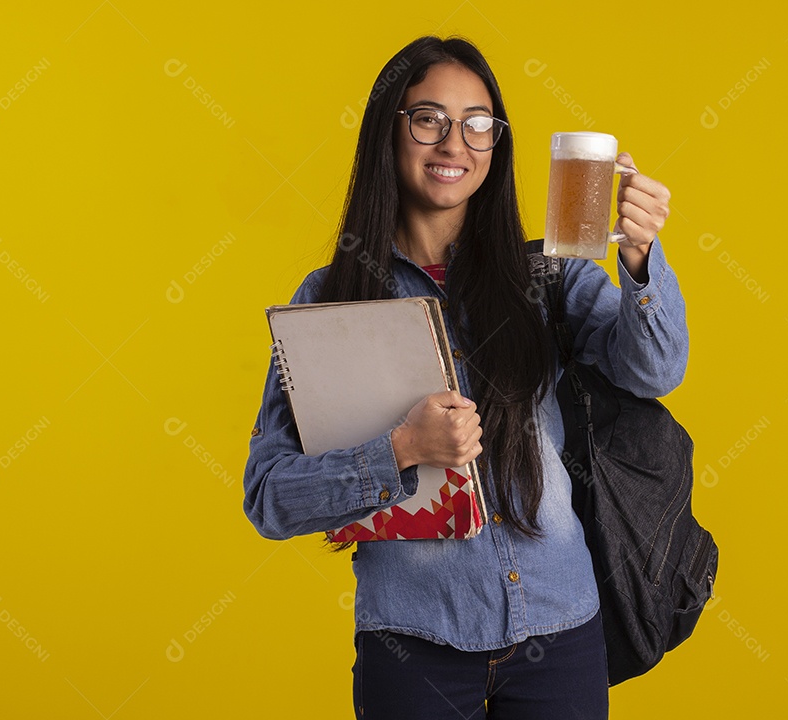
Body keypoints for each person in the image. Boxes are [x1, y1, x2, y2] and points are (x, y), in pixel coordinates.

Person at [242, 35, 688, 720]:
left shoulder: (548, 277)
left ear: (495, 144)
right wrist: (400, 450)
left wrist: (639, 258)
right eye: (429, 119)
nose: (455, 143)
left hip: (562, 629)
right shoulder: (332, 301)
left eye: (477, 123)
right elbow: (270, 497)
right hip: (412, 643)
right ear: (389, 132)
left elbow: (655, 368)